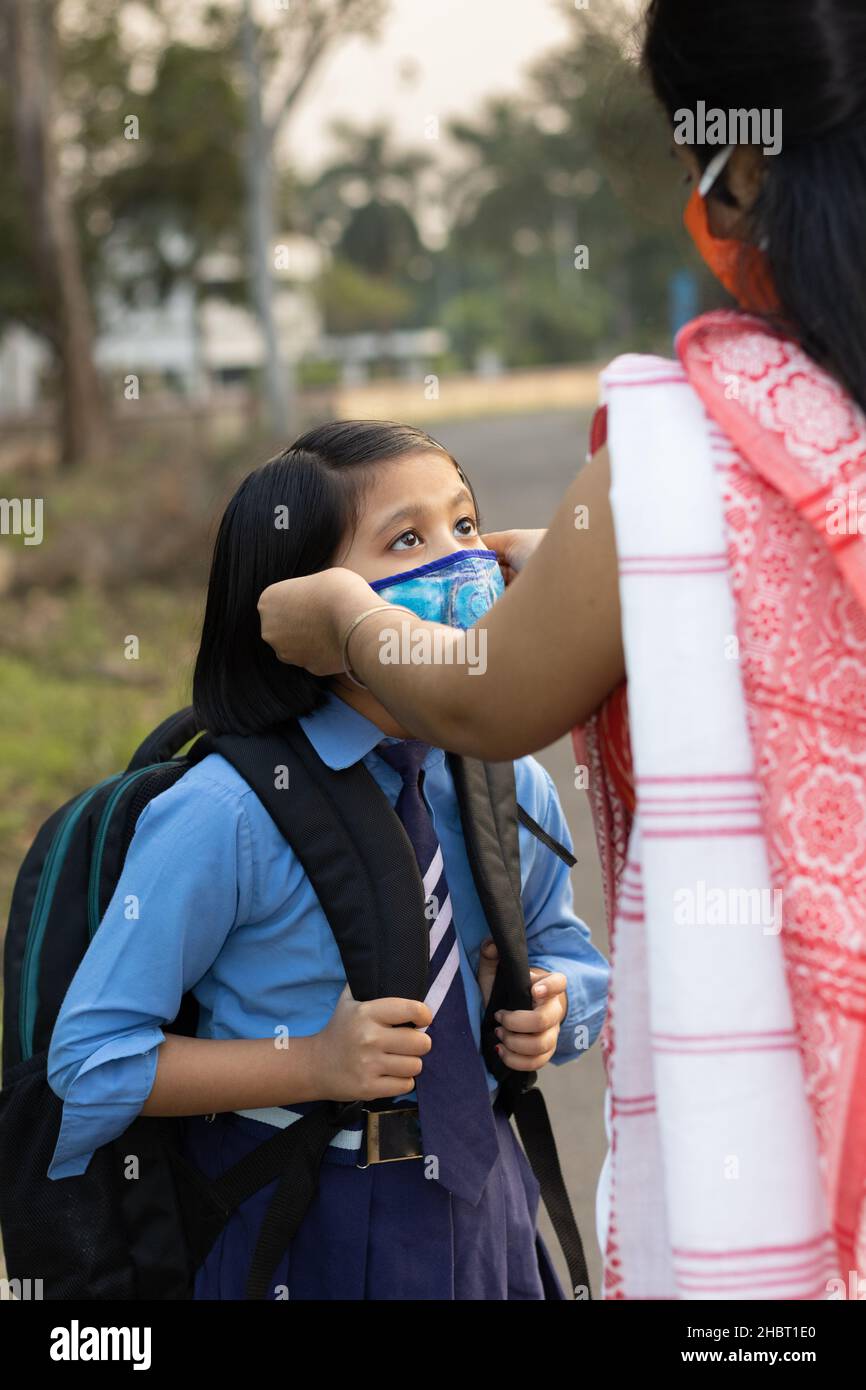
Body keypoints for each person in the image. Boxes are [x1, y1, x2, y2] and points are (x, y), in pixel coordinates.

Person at [257, 0, 866, 1301]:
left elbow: (483, 699)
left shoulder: (675, 456)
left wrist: (349, 619)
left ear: (743, 165)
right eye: (404, 539)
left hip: (784, 1114)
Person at [45, 420, 609, 1301]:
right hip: (301, 1224)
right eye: (408, 539)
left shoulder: (506, 780)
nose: (460, 561)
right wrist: (312, 1063)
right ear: (299, 607)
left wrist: (557, 1005)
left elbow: (571, 955)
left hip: (489, 1208)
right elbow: (90, 1061)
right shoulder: (224, 815)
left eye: (466, 526)